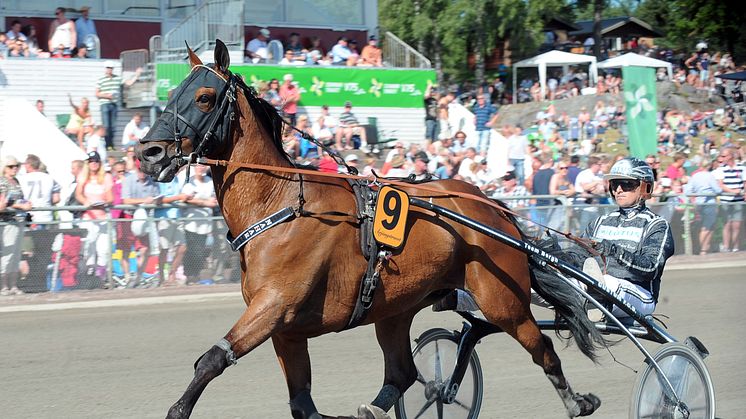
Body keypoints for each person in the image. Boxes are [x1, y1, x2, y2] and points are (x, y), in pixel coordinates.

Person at [584, 157, 674, 318]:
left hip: (640, 295)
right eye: (614, 184)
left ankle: (596, 302)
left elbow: (651, 268)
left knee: (607, 283)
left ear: (645, 188)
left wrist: (613, 250)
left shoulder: (657, 225)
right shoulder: (598, 222)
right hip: (597, 286)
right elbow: (577, 256)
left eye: (626, 184)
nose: (618, 189)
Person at [75, 151, 113, 281]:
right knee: (88, 245)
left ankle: (101, 276)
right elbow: (78, 193)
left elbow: (110, 197)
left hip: (102, 217)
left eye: (96, 161)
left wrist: (103, 203)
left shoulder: (106, 177)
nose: (93, 163)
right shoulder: (83, 176)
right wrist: (86, 202)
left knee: (103, 249)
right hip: (88, 217)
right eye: (91, 161)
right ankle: (88, 274)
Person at [120, 162, 160, 287]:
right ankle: (127, 276)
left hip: (143, 218)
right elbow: (126, 200)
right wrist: (144, 201)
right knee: (125, 248)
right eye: (140, 169)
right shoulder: (128, 180)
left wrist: (154, 201)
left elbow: (157, 197)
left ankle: (137, 277)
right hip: (128, 216)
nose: (142, 172)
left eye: (145, 169)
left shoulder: (153, 181)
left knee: (144, 249)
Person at [0, 156, 32, 296]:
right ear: (5, 167)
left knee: (16, 255)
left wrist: (27, 204)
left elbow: (20, 198)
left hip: (19, 220)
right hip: (8, 222)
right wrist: (19, 205)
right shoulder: (3, 182)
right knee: (8, 254)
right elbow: (3, 204)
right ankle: (4, 286)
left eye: (16, 166)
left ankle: (13, 285)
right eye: (11, 166)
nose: (14, 169)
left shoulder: (16, 182)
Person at [181, 165, 218, 285]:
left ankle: (196, 275)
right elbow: (185, 199)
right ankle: (189, 275)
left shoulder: (210, 182)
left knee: (201, 250)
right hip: (192, 222)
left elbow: (213, 198)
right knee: (192, 250)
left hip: (205, 223)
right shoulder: (190, 183)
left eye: (203, 166)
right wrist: (204, 203)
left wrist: (211, 202)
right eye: (198, 166)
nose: (201, 169)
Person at [95, 60, 142, 150]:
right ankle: (107, 144)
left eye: (111, 68)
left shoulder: (117, 78)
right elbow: (97, 93)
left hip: (114, 104)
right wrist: (107, 96)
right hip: (104, 104)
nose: (110, 70)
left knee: (113, 126)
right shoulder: (101, 79)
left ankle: (110, 145)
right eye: (108, 68)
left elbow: (128, 83)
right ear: (105, 69)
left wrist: (137, 75)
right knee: (106, 126)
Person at [685, 159, 722, 255]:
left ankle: (705, 248)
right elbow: (718, 190)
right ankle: (702, 249)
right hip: (709, 203)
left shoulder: (695, 176)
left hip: (699, 203)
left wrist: (697, 195)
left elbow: (688, 191)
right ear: (709, 165)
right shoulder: (710, 176)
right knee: (707, 227)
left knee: (706, 226)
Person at [713, 147, 746, 252]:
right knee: (727, 224)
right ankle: (726, 247)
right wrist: (733, 191)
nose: (722, 158)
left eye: (724, 156)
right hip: (726, 200)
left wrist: (743, 192)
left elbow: (745, 183)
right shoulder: (720, 169)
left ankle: (736, 247)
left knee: (737, 224)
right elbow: (721, 185)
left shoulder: (742, 167)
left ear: (731, 156)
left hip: (739, 200)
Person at [20, 154, 61, 229]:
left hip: (29, 216)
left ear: (28, 165)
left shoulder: (21, 179)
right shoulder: (49, 178)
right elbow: (56, 199)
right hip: (46, 216)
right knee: (44, 240)